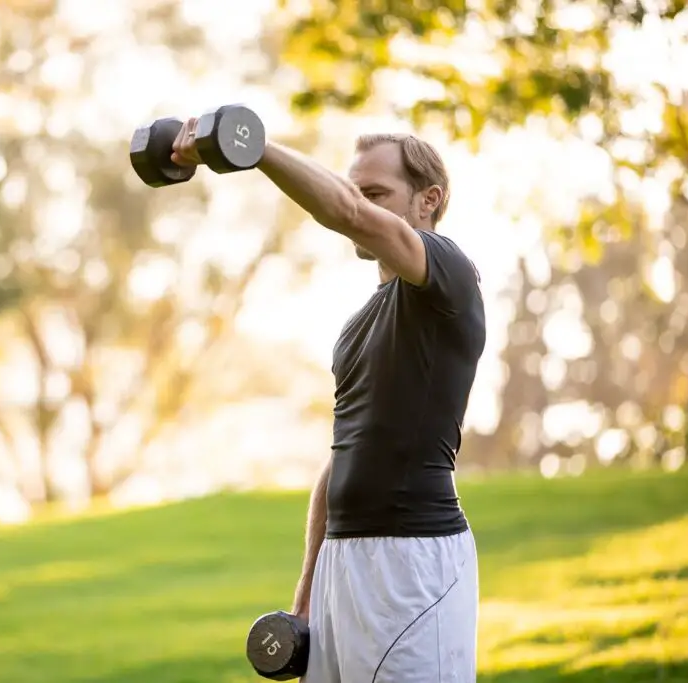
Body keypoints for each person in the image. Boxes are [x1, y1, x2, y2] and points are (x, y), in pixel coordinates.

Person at [172, 121, 487, 682]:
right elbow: (342, 452)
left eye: (377, 194)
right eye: (356, 189)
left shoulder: (449, 275)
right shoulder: (359, 325)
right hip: (344, 563)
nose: (358, 206)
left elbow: (346, 213)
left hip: (414, 560)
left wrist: (253, 146)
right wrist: (308, 589)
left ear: (429, 200)